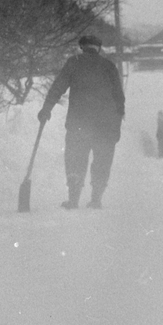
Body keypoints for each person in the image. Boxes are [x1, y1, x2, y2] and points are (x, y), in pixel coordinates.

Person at [38, 34, 125, 209]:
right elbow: (119, 100)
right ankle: (96, 199)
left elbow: (58, 87)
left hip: (80, 123)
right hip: (105, 125)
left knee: (75, 158)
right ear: (98, 48)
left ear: (82, 47)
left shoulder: (74, 62)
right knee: (102, 161)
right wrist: (116, 127)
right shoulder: (109, 66)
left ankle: (73, 199)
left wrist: (46, 108)